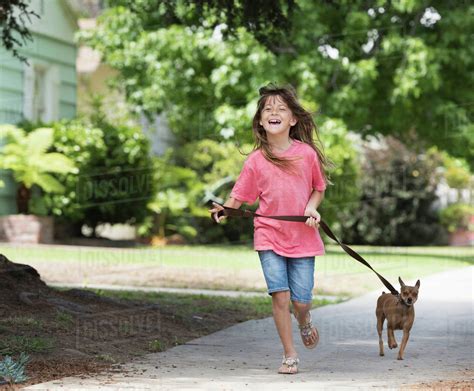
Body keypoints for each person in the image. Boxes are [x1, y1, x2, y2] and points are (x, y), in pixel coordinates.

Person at [208, 83, 332, 374]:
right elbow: (238, 195)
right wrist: (224, 209)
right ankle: (290, 354)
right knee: (280, 295)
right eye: (268, 109)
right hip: (268, 234)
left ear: (293, 120)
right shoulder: (255, 161)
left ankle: (304, 320)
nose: (273, 112)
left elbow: (319, 188)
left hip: (303, 237)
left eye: (281, 109)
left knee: (301, 302)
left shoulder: (307, 155)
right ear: (261, 121)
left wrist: (311, 208)